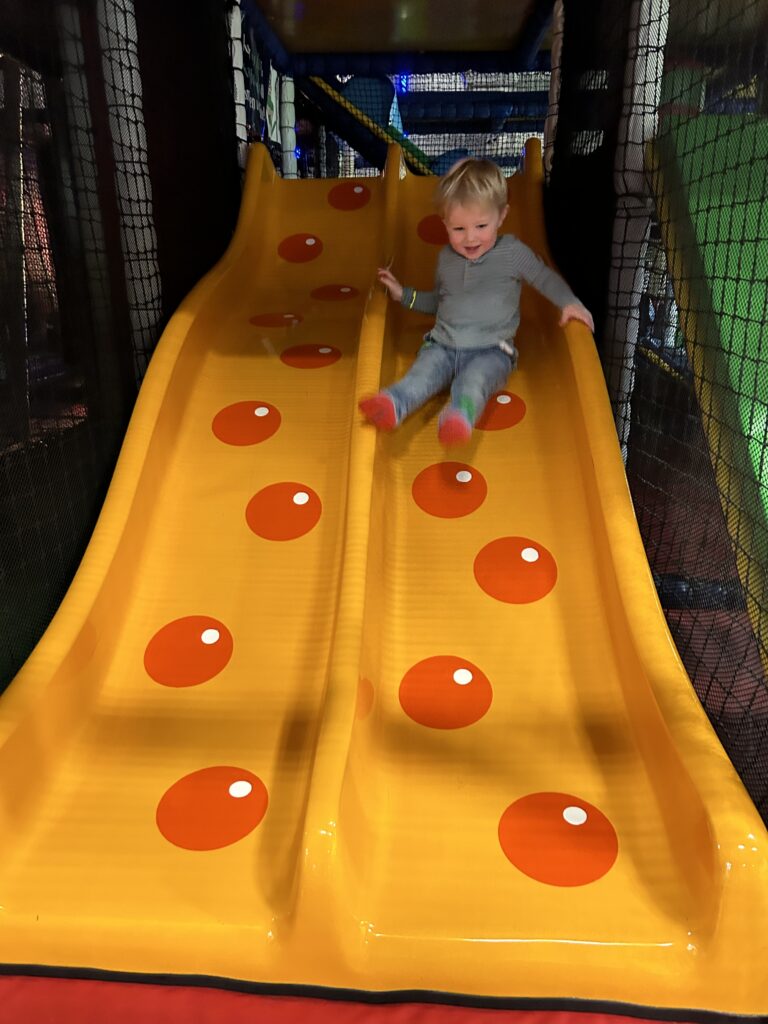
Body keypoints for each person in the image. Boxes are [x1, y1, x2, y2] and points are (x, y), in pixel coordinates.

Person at [359, 158, 594, 446]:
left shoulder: (511, 252)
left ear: (502, 215)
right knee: (420, 375)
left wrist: (569, 302)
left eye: (481, 225)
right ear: (445, 222)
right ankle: (393, 405)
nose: (470, 238)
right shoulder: (446, 259)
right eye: (458, 229)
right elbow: (440, 303)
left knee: (473, 383)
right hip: (443, 345)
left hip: (492, 351)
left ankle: (460, 416)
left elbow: (545, 278)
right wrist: (404, 295)